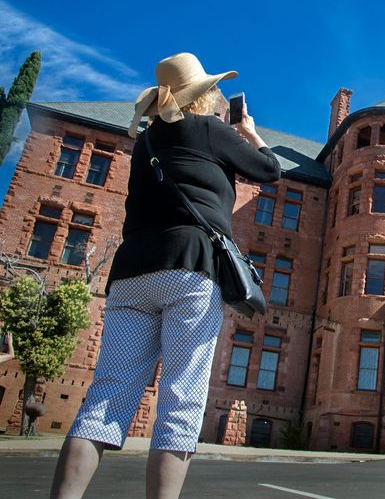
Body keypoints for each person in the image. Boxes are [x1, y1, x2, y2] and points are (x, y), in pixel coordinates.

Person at [49, 53, 281, 499]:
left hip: (131, 273)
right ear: (205, 98)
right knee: (181, 401)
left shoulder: (146, 142)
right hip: (189, 270)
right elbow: (268, 171)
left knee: (106, 398)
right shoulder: (211, 130)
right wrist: (249, 133)